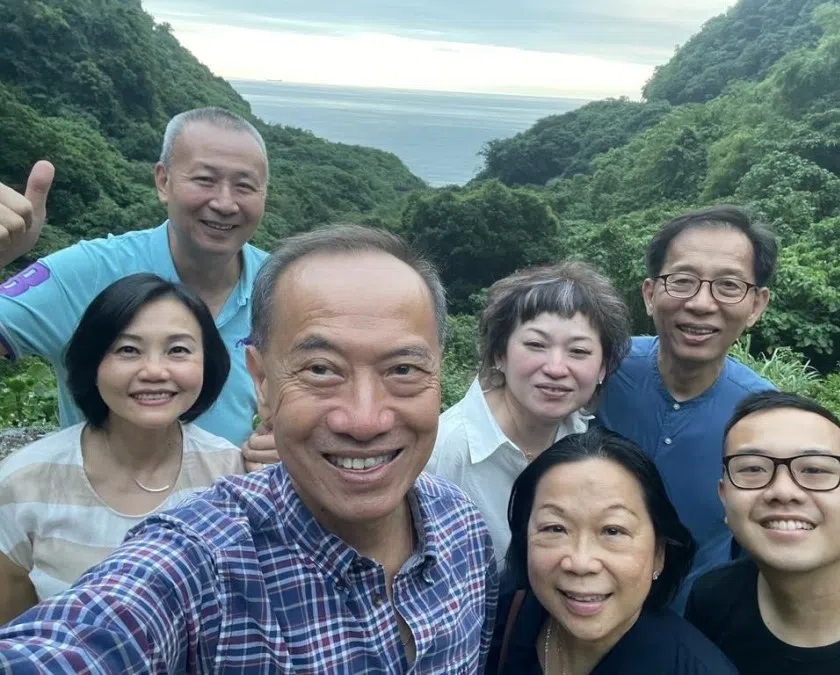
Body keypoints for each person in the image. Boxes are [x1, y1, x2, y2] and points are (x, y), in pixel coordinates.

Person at [0, 225, 498, 673]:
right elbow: (74, 645)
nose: (364, 420)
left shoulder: (462, 528)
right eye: (321, 370)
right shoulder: (198, 563)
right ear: (261, 381)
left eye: (403, 370)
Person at [0, 106, 269, 446]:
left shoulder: (283, 286)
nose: (225, 203)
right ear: (163, 181)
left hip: (237, 499)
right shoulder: (89, 271)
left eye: (245, 186)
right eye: (205, 180)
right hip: (92, 497)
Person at [0, 273, 243, 624]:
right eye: (128, 350)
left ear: (208, 361)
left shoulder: (231, 477)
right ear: (93, 362)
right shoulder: (23, 482)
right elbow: (14, 635)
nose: (155, 371)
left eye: (178, 350)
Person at [595, 205, 777, 610]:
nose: (700, 303)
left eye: (729, 286)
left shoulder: (766, 418)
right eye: (682, 280)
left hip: (696, 623)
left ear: (756, 306)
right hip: (579, 602)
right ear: (649, 293)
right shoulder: (601, 369)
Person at [427, 262, 631, 564]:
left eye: (578, 351)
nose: (556, 368)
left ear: (602, 368)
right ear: (499, 354)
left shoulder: (583, 439)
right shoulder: (443, 451)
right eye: (536, 345)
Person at [488, 427, 737, 674]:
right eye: (555, 528)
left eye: (613, 531)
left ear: (659, 554)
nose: (581, 562)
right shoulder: (498, 622)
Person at [685, 391, 840, 674]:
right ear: (725, 499)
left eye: (813, 469)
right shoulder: (711, 600)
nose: (783, 491)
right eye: (753, 468)